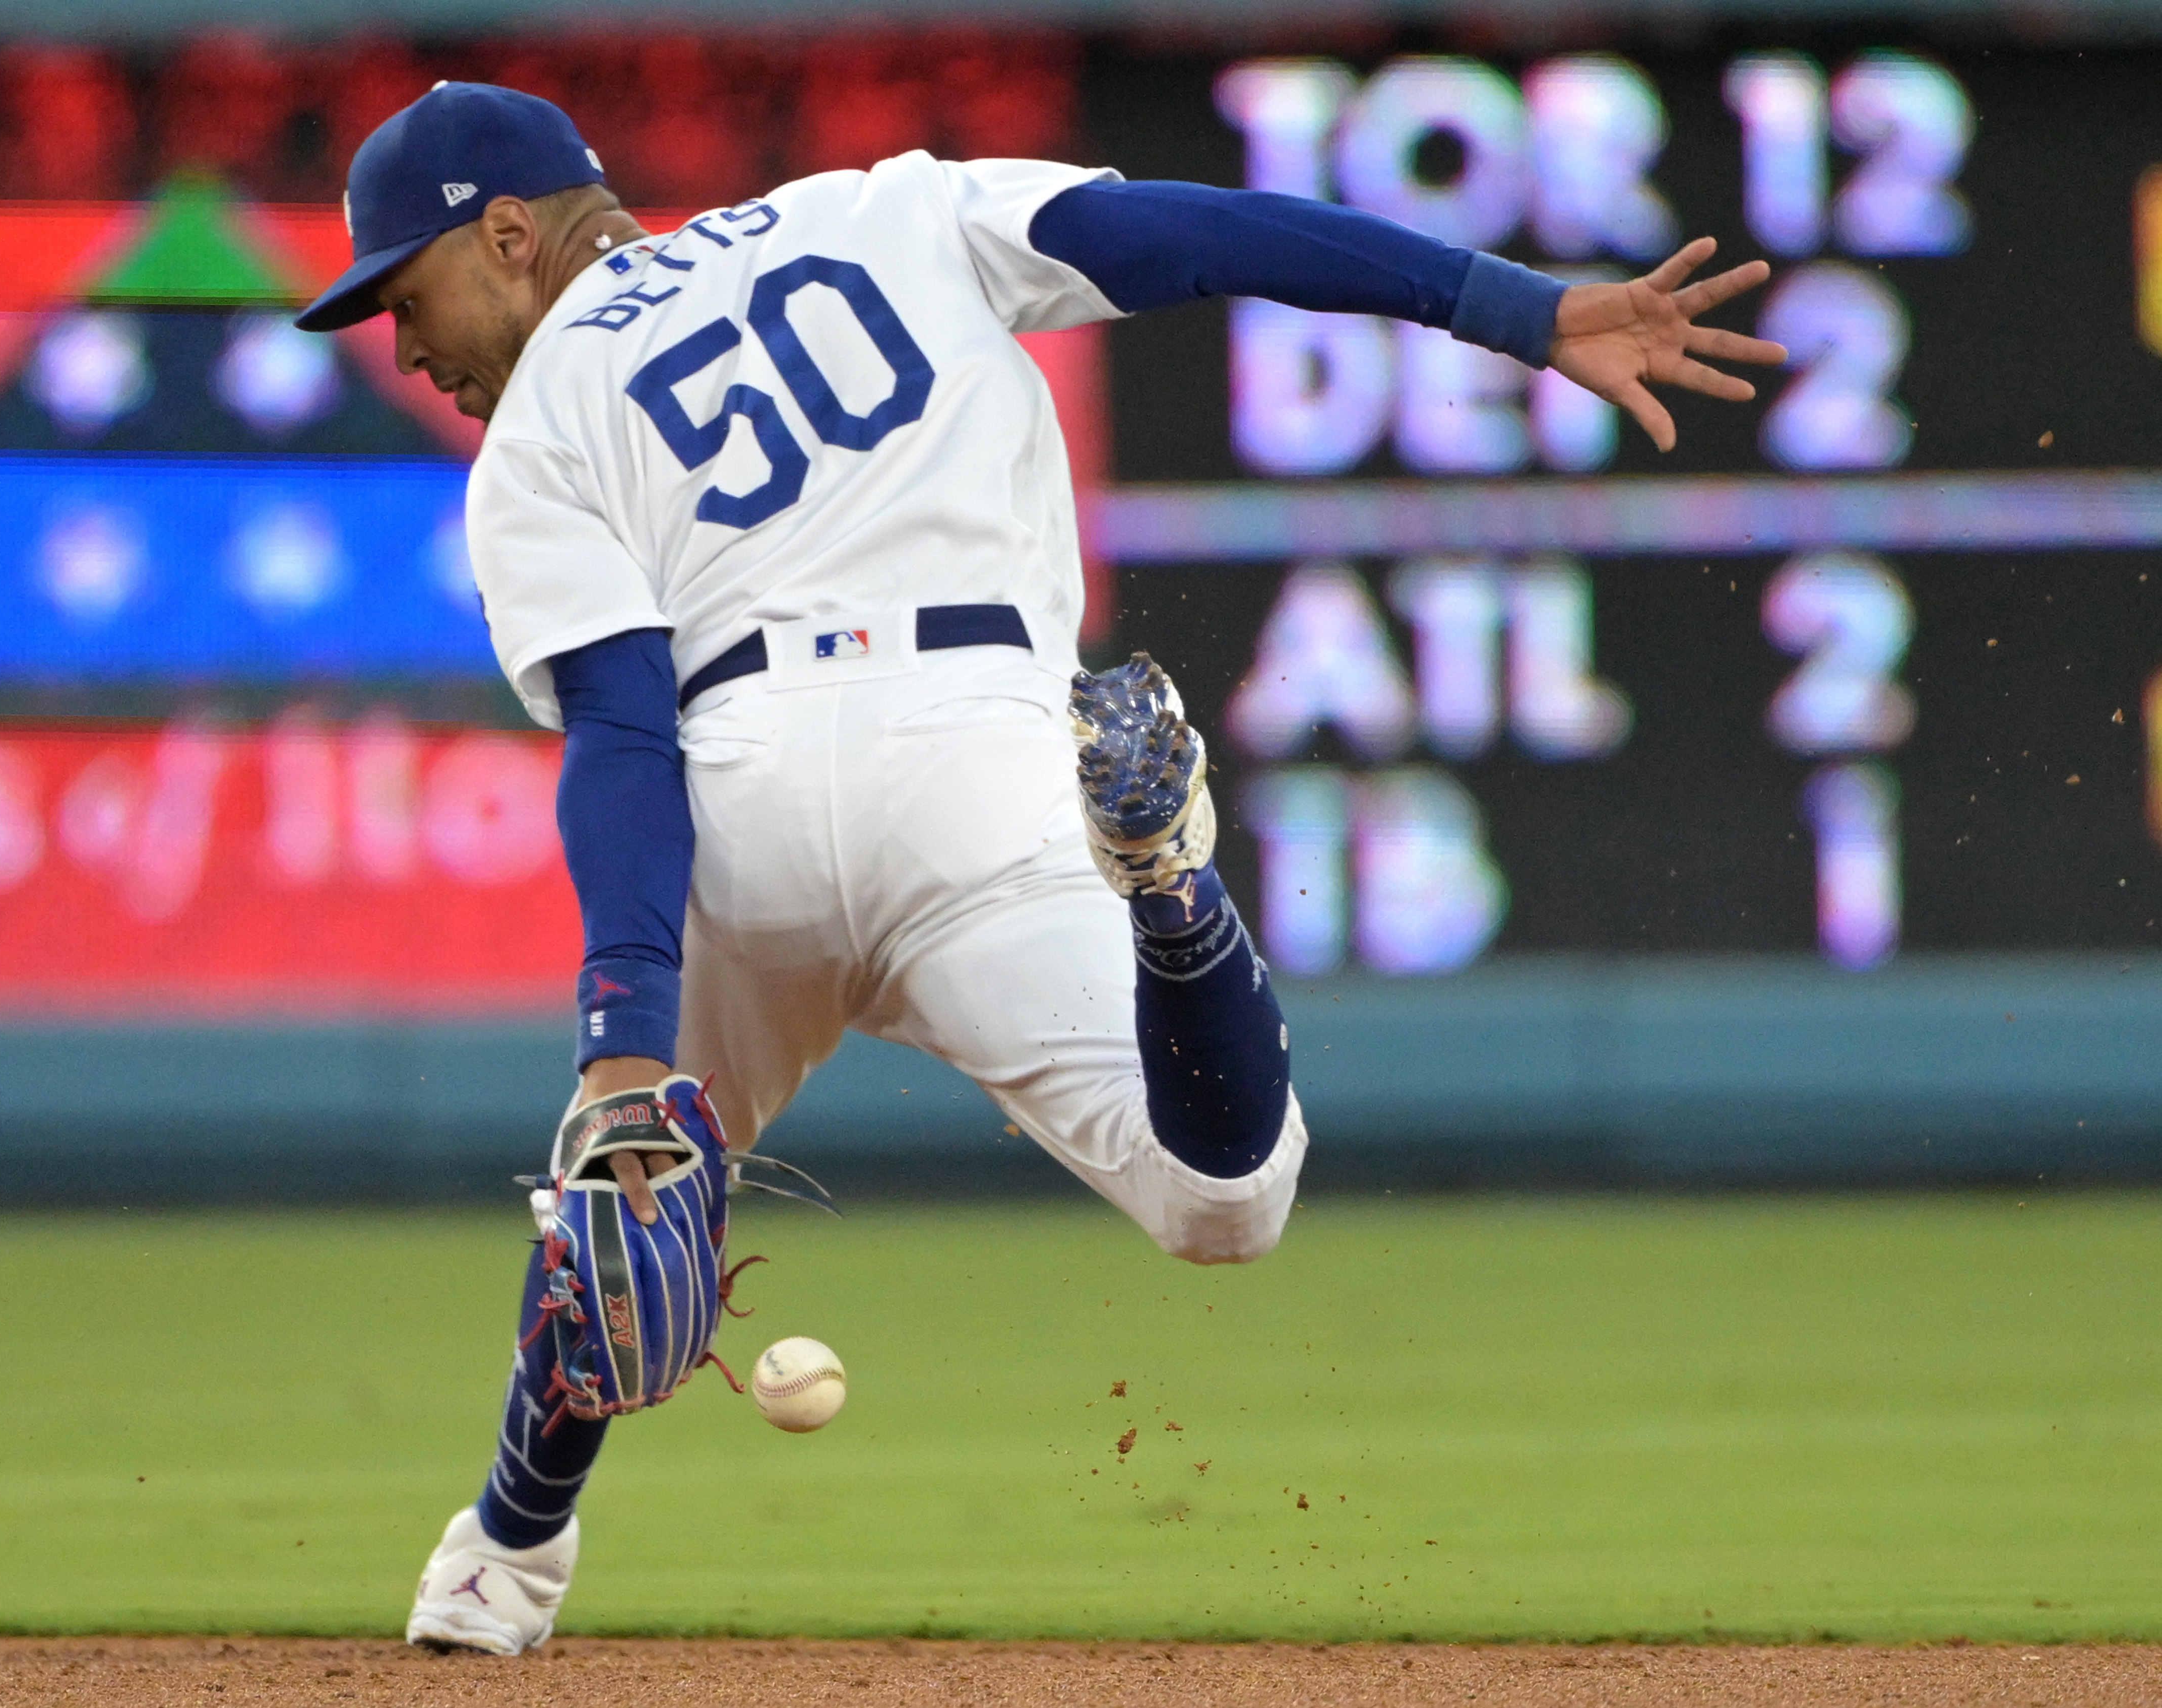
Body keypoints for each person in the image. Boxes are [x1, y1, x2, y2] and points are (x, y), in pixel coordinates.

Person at [292, 81, 1783, 1655]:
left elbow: (621, 739)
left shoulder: (537, 433)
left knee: (619, 1202)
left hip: (748, 790)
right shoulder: (886, 209)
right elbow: (1195, 233)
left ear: (508, 234)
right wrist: (1518, 308)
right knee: (1230, 1204)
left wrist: (626, 1046)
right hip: (987, 768)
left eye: (405, 295)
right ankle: (1166, 880)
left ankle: (503, 1564)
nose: (403, 348)